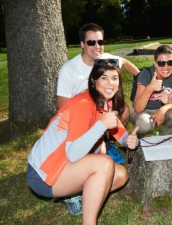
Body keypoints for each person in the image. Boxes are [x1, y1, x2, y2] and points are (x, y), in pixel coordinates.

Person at [27, 59, 140, 225]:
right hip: (43, 174)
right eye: (103, 77)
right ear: (94, 80)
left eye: (114, 78)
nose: (109, 83)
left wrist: (128, 139)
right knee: (104, 164)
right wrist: (100, 127)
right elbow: (72, 153)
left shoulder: (106, 101)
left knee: (120, 175)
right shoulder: (83, 103)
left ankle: (72, 195)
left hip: (65, 166)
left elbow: (118, 131)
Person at [57, 23, 140, 162]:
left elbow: (124, 62)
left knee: (124, 109)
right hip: (81, 116)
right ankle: (98, 144)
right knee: (100, 159)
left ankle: (110, 144)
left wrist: (140, 78)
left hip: (102, 110)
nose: (97, 46)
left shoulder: (105, 60)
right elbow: (62, 107)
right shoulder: (69, 69)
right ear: (82, 44)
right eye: (91, 42)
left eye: (100, 42)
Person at [130, 45, 172, 136]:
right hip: (143, 111)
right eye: (161, 63)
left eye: (170, 62)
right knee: (144, 125)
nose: (166, 67)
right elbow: (138, 108)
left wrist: (162, 110)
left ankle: (163, 136)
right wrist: (150, 88)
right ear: (155, 63)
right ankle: (137, 139)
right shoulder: (146, 74)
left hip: (163, 109)